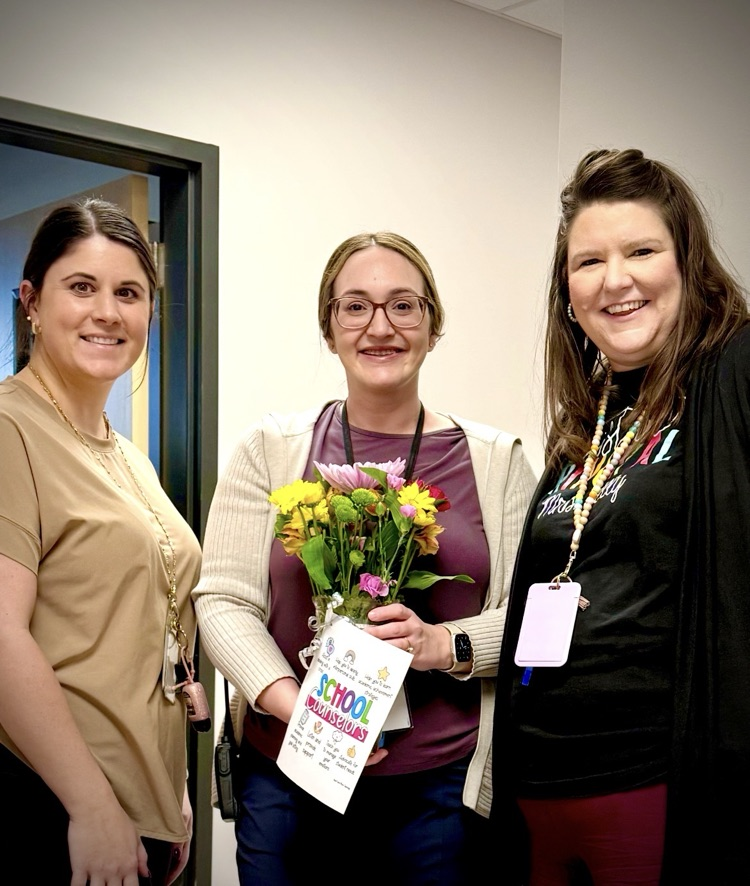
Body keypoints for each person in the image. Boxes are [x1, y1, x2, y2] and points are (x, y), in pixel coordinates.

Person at [193, 231, 537, 885]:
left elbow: (527, 618)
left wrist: (440, 643)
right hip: (289, 777)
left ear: (433, 325)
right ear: (329, 328)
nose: (380, 327)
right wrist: (297, 706)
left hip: (439, 795)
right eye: (355, 306)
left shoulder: (497, 461)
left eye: (403, 305)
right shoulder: (270, 449)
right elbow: (223, 600)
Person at [491, 148, 750, 885]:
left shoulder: (733, 375)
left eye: (641, 251)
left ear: (687, 263)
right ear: (567, 291)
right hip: (540, 784)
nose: (615, 279)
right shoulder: (590, 414)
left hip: (654, 786)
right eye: (589, 261)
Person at [0, 198, 203, 885]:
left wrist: (168, 787)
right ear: (32, 302)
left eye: (129, 293)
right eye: (82, 287)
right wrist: (91, 806)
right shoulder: (10, 429)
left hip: (139, 806)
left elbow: (140, 627)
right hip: (53, 804)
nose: (108, 312)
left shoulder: (128, 455)